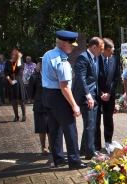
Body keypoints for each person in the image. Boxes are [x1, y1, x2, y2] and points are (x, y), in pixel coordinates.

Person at [42, 30, 86, 170]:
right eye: (71, 45)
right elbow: (65, 87)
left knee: (55, 128)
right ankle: (74, 160)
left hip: (47, 95)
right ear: (63, 44)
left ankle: (58, 159)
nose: (73, 47)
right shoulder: (62, 62)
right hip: (59, 96)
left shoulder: (48, 54)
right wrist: (74, 105)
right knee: (70, 128)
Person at [73, 37, 104, 160]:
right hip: (86, 96)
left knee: (91, 123)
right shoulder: (83, 58)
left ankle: (84, 148)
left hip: (93, 94)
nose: (102, 51)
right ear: (94, 47)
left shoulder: (93, 58)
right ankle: (90, 152)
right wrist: (88, 96)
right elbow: (81, 78)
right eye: (101, 49)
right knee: (90, 124)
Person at [95, 38, 120, 151]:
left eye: (113, 50)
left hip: (110, 95)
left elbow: (116, 78)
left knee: (108, 119)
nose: (112, 52)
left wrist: (109, 93)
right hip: (97, 94)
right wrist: (101, 93)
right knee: (96, 120)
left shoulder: (114, 59)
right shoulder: (95, 59)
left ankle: (108, 142)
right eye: (110, 50)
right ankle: (96, 145)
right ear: (103, 50)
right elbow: (94, 79)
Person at [29, 57, 49, 154]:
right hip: (39, 105)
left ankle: (52, 145)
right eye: (41, 63)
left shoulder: (50, 76)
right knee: (42, 127)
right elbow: (31, 92)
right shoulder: (34, 77)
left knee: (51, 127)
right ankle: (43, 147)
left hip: (50, 105)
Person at [5, 49, 27, 122]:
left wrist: (19, 58)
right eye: (13, 54)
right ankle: (16, 116)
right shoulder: (8, 62)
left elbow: (19, 68)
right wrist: (9, 80)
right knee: (13, 100)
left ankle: (24, 115)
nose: (14, 56)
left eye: (16, 55)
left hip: (18, 80)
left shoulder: (19, 62)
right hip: (10, 81)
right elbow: (6, 72)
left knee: (21, 100)